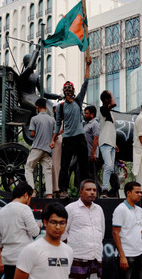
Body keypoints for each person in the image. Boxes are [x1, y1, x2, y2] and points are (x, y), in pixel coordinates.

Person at [51, 56, 92, 199]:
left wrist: (88, 65)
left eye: (70, 88)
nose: (68, 90)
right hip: (67, 139)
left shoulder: (78, 101)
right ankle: (63, 190)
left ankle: (86, 189)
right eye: (66, 88)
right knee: (65, 166)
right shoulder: (61, 107)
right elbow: (57, 124)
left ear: (73, 90)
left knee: (83, 165)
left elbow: (85, 83)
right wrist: (53, 139)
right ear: (64, 91)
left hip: (79, 138)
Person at [15, 202, 74, 279]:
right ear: (45, 222)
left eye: (62, 223)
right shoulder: (31, 250)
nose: (58, 227)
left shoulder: (69, 251)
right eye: (54, 222)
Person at [0, 182, 40, 279]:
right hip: (23, 259)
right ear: (25, 195)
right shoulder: (25, 209)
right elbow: (34, 232)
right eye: (30, 197)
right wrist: (38, 225)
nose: (30, 200)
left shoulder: (1, 211)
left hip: (7, 259)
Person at [64, 179, 105, 278]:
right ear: (80, 192)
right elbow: (63, 232)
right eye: (88, 189)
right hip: (77, 258)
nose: (92, 192)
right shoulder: (71, 208)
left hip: (96, 258)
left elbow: (101, 232)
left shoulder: (99, 209)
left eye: (94, 190)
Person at [112, 181, 142, 279]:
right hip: (126, 255)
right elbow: (115, 233)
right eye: (137, 192)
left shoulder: (139, 210)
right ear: (128, 193)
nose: (140, 195)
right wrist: (122, 256)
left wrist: (139, 234)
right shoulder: (120, 209)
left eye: (141, 192)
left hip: (139, 253)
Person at [24, 98, 56, 198]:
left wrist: (35, 132)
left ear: (37, 107)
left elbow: (32, 134)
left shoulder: (34, 119)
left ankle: (32, 191)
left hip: (37, 147)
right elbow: (56, 133)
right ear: (46, 107)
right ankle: (49, 194)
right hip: (47, 149)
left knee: (29, 168)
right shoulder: (52, 119)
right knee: (48, 171)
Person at [98, 90, 118, 198]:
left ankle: (107, 189)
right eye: (109, 98)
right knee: (109, 165)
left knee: (111, 167)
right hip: (105, 142)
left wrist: (114, 144)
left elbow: (111, 129)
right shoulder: (102, 109)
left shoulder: (110, 113)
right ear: (106, 100)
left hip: (111, 143)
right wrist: (111, 93)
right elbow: (114, 103)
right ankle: (104, 189)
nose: (111, 99)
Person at [83, 105, 100, 188]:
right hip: (85, 154)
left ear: (92, 114)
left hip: (91, 154)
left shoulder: (95, 124)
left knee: (92, 175)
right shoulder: (86, 124)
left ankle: (96, 193)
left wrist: (93, 154)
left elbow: (96, 139)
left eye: (86, 113)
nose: (84, 115)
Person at [51, 101, 64, 195]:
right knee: (55, 166)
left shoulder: (64, 120)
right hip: (56, 143)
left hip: (62, 143)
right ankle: (55, 189)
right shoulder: (53, 121)